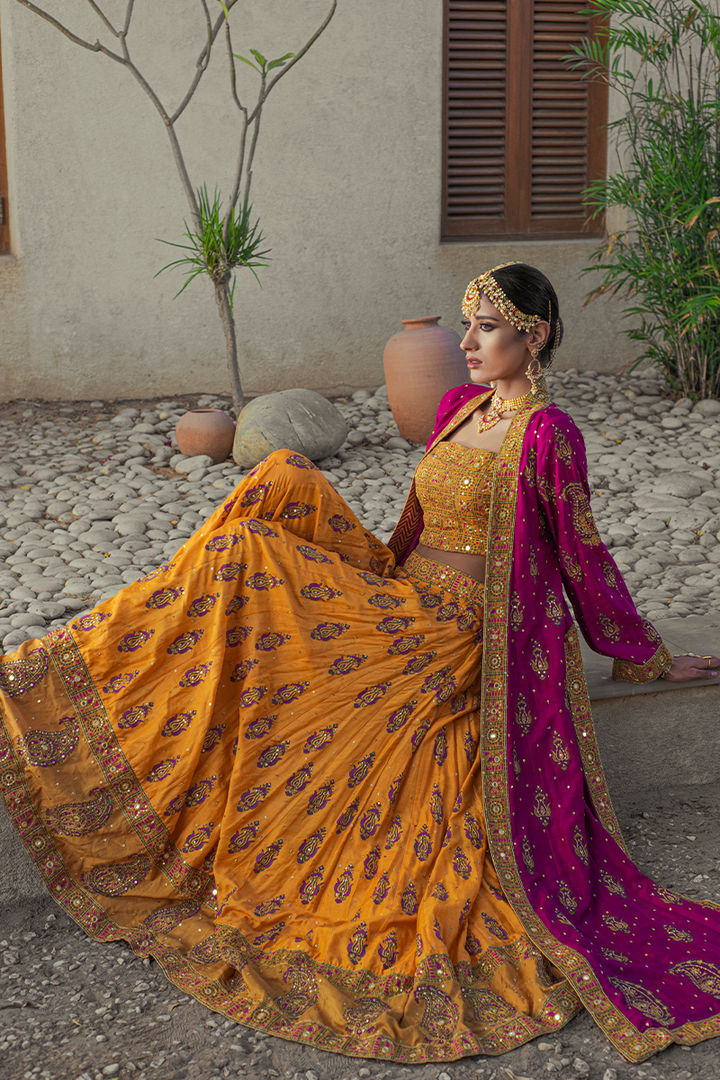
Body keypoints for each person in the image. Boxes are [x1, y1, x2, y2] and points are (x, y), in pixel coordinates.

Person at [2, 261, 720, 1068]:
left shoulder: (548, 437)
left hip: (458, 633)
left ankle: (63, 667)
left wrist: (645, 653)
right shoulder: (457, 407)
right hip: (405, 596)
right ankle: (68, 668)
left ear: (536, 335)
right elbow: (413, 525)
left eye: (488, 326)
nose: (469, 342)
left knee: (252, 552)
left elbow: (582, 555)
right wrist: (366, 583)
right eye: (466, 324)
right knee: (277, 489)